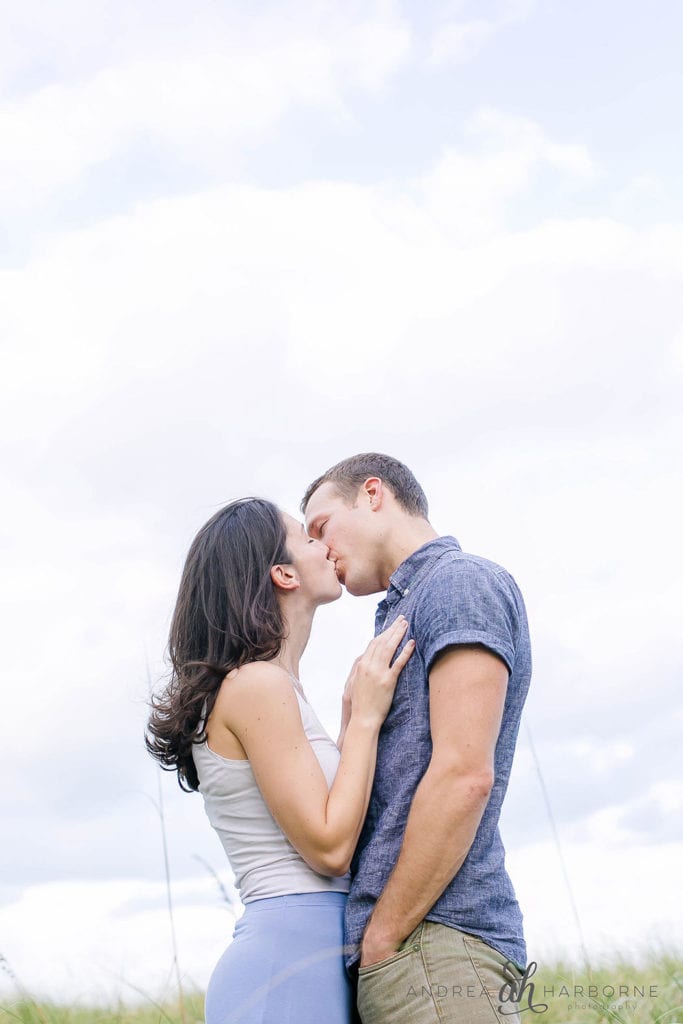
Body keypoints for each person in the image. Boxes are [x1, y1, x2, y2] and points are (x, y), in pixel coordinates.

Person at [145, 496, 415, 1024]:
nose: (327, 544)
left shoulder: (276, 687)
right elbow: (331, 848)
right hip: (287, 961)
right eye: (309, 537)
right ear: (283, 573)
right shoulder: (257, 685)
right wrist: (364, 722)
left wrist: (348, 724)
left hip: (307, 957)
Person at [301, 453, 533, 1024]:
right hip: (417, 947)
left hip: (436, 942)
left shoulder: (457, 583)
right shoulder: (402, 611)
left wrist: (384, 935)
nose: (318, 548)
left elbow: (465, 775)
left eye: (321, 526)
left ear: (373, 493)